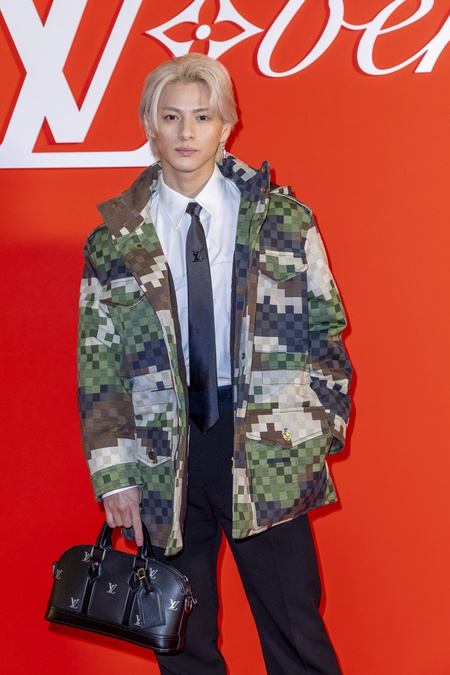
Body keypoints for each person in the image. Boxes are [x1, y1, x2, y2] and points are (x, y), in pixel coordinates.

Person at [78, 53, 352, 674]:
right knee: (180, 642)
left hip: (267, 447)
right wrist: (114, 474)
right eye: (171, 116)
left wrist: (318, 430)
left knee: (296, 633)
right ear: (150, 124)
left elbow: (326, 329)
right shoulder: (115, 239)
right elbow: (99, 362)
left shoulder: (282, 219)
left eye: (202, 117)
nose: (186, 132)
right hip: (161, 456)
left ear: (226, 124)